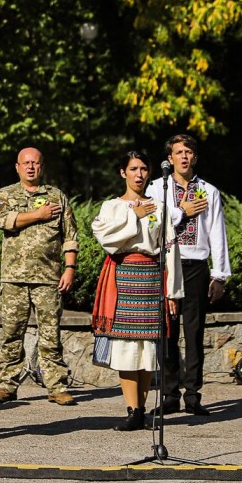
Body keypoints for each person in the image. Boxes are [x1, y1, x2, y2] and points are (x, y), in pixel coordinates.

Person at [91, 150, 183, 431]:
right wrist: (134, 217)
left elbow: (170, 248)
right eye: (133, 169)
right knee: (127, 348)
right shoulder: (112, 206)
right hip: (123, 275)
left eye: (144, 169)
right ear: (123, 173)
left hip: (152, 277)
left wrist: (173, 291)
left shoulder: (160, 206)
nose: (139, 174)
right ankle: (132, 409)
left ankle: (142, 409)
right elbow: (106, 238)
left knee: (147, 351)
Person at [145, 133, 229, 416]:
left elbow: (217, 233)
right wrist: (182, 211)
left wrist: (219, 275)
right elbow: (154, 223)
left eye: (188, 152)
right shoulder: (157, 188)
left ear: (194, 157)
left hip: (196, 266)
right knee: (167, 331)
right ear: (170, 158)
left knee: (194, 333)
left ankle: (193, 395)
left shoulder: (209, 191)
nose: (184, 157)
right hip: (168, 264)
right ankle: (169, 394)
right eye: (178, 152)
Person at [0, 147, 79, 406]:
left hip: (48, 278)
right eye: (25, 163)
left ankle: (56, 386)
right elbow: (3, 221)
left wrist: (69, 268)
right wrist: (37, 215)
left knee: (50, 334)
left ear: (42, 167)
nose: (30, 167)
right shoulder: (6, 194)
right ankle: (6, 385)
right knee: (11, 333)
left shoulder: (56, 197)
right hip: (14, 277)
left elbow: (70, 236)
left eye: (35, 163)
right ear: (17, 167)